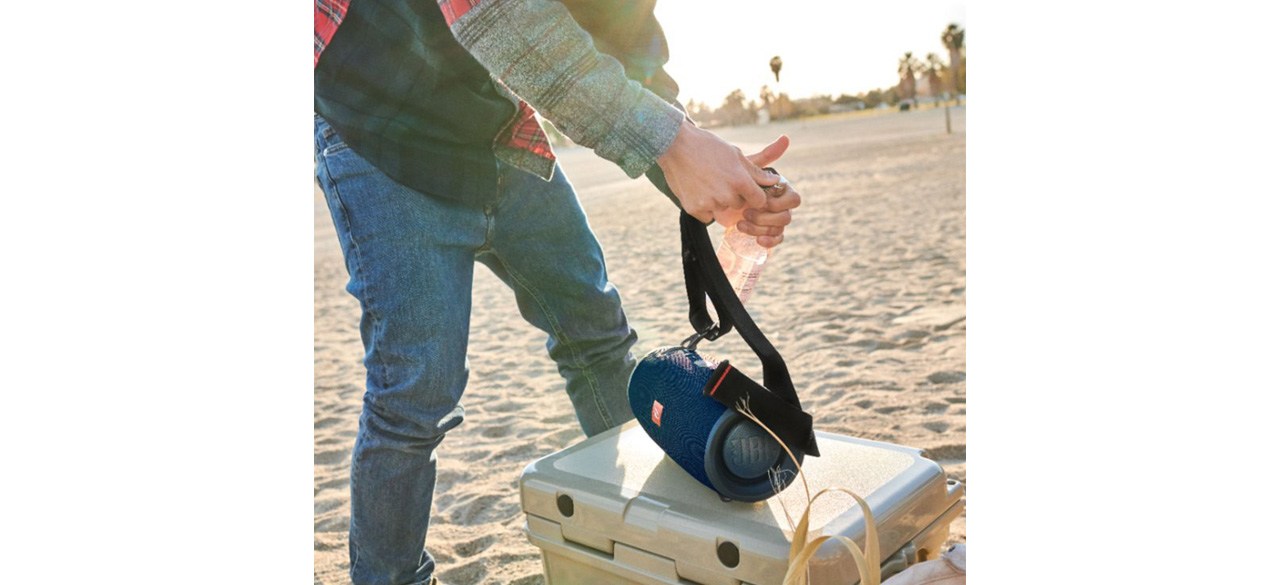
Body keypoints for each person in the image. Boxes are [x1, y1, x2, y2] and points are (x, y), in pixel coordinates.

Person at [314, 1, 802, 583]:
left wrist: (713, 180)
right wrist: (673, 145)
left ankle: (638, 534)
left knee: (597, 337)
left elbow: (623, 36)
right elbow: (498, 17)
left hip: (494, 122)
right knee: (414, 395)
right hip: (376, 126)